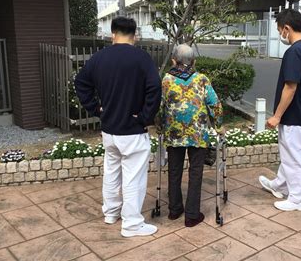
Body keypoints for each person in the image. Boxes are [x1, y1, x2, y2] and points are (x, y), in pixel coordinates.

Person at [75, 17, 162, 237]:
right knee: (133, 177)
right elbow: (154, 89)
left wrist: (96, 109)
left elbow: (81, 83)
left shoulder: (99, 58)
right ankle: (131, 224)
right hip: (132, 130)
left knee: (112, 172)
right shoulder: (142, 58)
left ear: (112, 33)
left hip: (109, 130)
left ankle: (111, 212)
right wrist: (144, 117)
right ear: (135, 35)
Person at [258, 9, 301, 212]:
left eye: (279, 30)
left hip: (294, 115)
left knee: (295, 157)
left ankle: (299, 199)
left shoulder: (293, 52)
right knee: (291, 154)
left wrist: (277, 116)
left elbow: (290, 86)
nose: (280, 35)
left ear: (287, 28)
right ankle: (279, 185)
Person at [158, 44, 223, 227]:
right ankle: (192, 215)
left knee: (174, 171)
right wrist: (218, 125)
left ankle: (174, 209)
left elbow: (159, 107)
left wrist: (161, 127)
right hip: (198, 134)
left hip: (174, 133)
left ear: (173, 60)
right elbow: (215, 104)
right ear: (193, 61)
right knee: (196, 172)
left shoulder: (167, 80)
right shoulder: (201, 79)